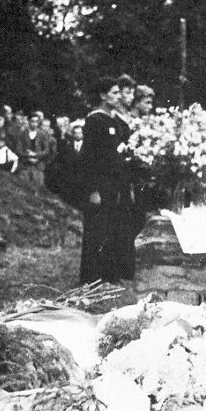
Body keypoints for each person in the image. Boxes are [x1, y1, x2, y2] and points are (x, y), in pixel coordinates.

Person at [79, 76, 135, 284]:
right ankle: (91, 277)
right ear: (103, 95)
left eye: (119, 92)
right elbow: (88, 158)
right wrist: (93, 190)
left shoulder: (113, 120)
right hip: (100, 184)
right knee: (96, 229)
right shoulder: (94, 120)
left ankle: (109, 274)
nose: (118, 96)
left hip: (115, 184)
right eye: (114, 92)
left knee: (111, 228)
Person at [12, 111, 52, 184]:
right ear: (28, 121)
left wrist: (35, 155)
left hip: (38, 166)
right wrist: (29, 157)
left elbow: (47, 151)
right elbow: (18, 150)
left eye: (37, 122)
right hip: (24, 165)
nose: (34, 124)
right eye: (32, 121)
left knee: (38, 187)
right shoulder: (22, 133)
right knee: (24, 187)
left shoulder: (43, 134)